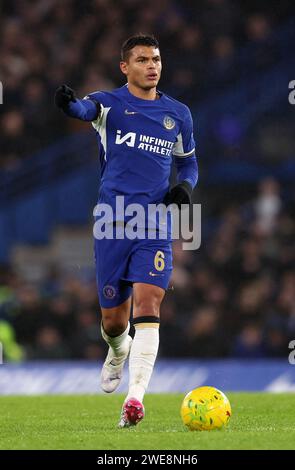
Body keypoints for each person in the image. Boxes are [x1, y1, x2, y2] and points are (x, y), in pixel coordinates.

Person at [55, 34, 198, 428]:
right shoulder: (110, 104)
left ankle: (134, 400)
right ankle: (118, 350)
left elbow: (189, 164)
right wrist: (69, 104)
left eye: (156, 59)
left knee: (149, 306)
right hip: (111, 221)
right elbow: (85, 109)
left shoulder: (178, 114)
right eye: (141, 60)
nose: (152, 65)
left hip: (154, 222)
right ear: (125, 67)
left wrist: (185, 187)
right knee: (115, 322)